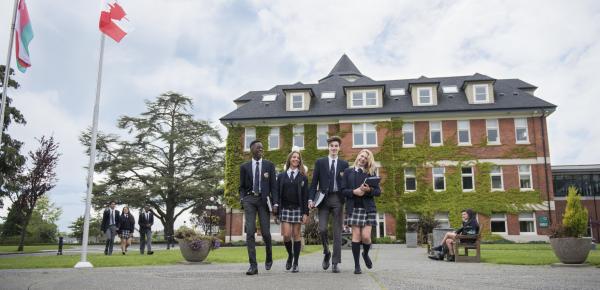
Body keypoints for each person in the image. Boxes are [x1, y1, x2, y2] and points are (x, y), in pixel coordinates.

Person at [308, 136, 349, 273]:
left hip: (338, 199)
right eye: (332, 146)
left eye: (336, 146)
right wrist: (310, 199)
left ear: (339, 148)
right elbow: (314, 183)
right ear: (328, 147)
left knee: (337, 232)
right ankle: (326, 252)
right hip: (323, 200)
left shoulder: (344, 164)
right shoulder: (320, 162)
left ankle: (335, 262)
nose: (334, 148)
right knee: (322, 229)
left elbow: (347, 184)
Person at [239, 139, 278, 275]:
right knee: (250, 232)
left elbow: (274, 186)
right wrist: (242, 199)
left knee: (266, 233)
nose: (261, 150)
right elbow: (241, 187)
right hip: (249, 199)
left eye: (262, 148)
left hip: (264, 200)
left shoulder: (269, 165)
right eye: (258, 148)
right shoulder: (244, 167)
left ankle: (269, 255)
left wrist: (275, 203)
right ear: (251, 150)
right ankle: (253, 266)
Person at [341, 149, 381, 274]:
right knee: (356, 236)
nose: (362, 159)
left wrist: (369, 190)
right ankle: (357, 266)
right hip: (353, 208)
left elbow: (378, 192)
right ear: (358, 156)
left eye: (366, 158)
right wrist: (354, 191)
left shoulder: (371, 172)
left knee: (366, 237)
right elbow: (342, 191)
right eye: (361, 156)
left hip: (368, 208)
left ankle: (366, 253)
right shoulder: (348, 172)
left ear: (368, 161)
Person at [275, 150, 309, 273]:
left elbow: (305, 196)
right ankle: (290, 255)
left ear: (300, 161)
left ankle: (296, 263)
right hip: (285, 209)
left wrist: (305, 213)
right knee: (287, 235)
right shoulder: (281, 176)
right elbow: (277, 193)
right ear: (289, 159)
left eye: (298, 158)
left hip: (298, 209)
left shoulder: (303, 177)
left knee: (296, 235)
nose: (296, 159)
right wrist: (276, 210)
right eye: (294, 157)